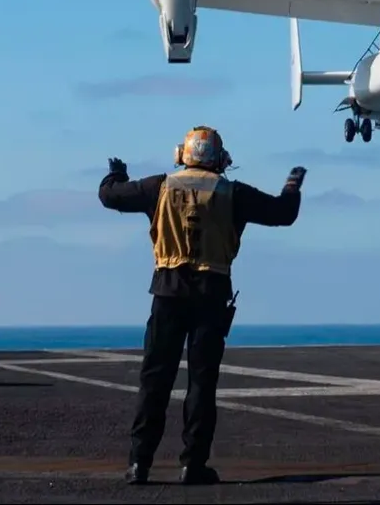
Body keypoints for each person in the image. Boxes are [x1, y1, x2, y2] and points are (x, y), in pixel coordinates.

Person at [98, 125, 306, 486]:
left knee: (154, 380)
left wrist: (116, 173)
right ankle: (193, 465)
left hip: (167, 292)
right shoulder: (232, 192)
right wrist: (292, 186)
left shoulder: (159, 187)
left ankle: (138, 464)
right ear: (221, 159)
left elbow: (110, 196)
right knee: (201, 384)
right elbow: (282, 213)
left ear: (183, 154)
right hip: (211, 295)